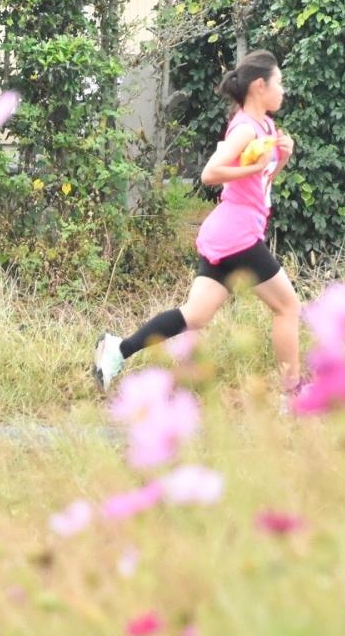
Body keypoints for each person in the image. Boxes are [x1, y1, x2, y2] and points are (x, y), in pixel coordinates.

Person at [94, 50, 301, 399]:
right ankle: (293, 395)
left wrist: (283, 159)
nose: (283, 91)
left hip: (228, 233)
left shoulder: (265, 126)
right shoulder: (245, 130)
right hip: (239, 237)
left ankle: (117, 350)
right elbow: (210, 174)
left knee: (196, 315)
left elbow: (259, 184)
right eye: (279, 83)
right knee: (288, 307)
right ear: (259, 86)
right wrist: (252, 168)